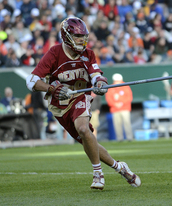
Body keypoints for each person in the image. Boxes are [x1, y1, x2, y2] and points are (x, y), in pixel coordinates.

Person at [25, 17, 141, 190]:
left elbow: (96, 75)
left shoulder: (88, 53)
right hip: (60, 106)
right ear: (66, 36)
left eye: (83, 36)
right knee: (87, 140)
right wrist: (52, 89)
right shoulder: (55, 53)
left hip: (80, 98)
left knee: (83, 129)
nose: (82, 40)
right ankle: (120, 167)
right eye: (77, 36)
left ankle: (97, 174)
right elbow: (31, 81)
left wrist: (100, 84)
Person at [105, 73, 134, 141]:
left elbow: (129, 97)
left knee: (127, 123)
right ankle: (119, 138)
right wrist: (115, 104)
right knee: (117, 125)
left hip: (125, 108)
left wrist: (121, 103)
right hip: (115, 109)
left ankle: (129, 138)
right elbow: (109, 99)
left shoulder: (125, 86)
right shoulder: (111, 88)